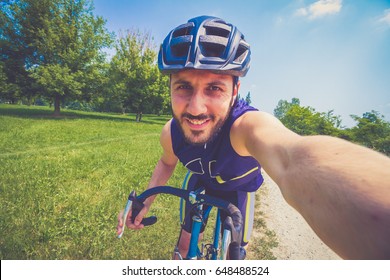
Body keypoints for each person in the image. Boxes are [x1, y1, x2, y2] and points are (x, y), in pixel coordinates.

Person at [117, 15, 390, 260]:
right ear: (169, 87)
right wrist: (145, 201)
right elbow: (167, 163)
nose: (196, 109)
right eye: (183, 87)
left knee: (236, 253)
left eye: (214, 88)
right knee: (186, 244)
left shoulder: (245, 126)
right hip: (198, 183)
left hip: (239, 191)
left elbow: (292, 159)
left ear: (236, 89)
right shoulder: (171, 132)